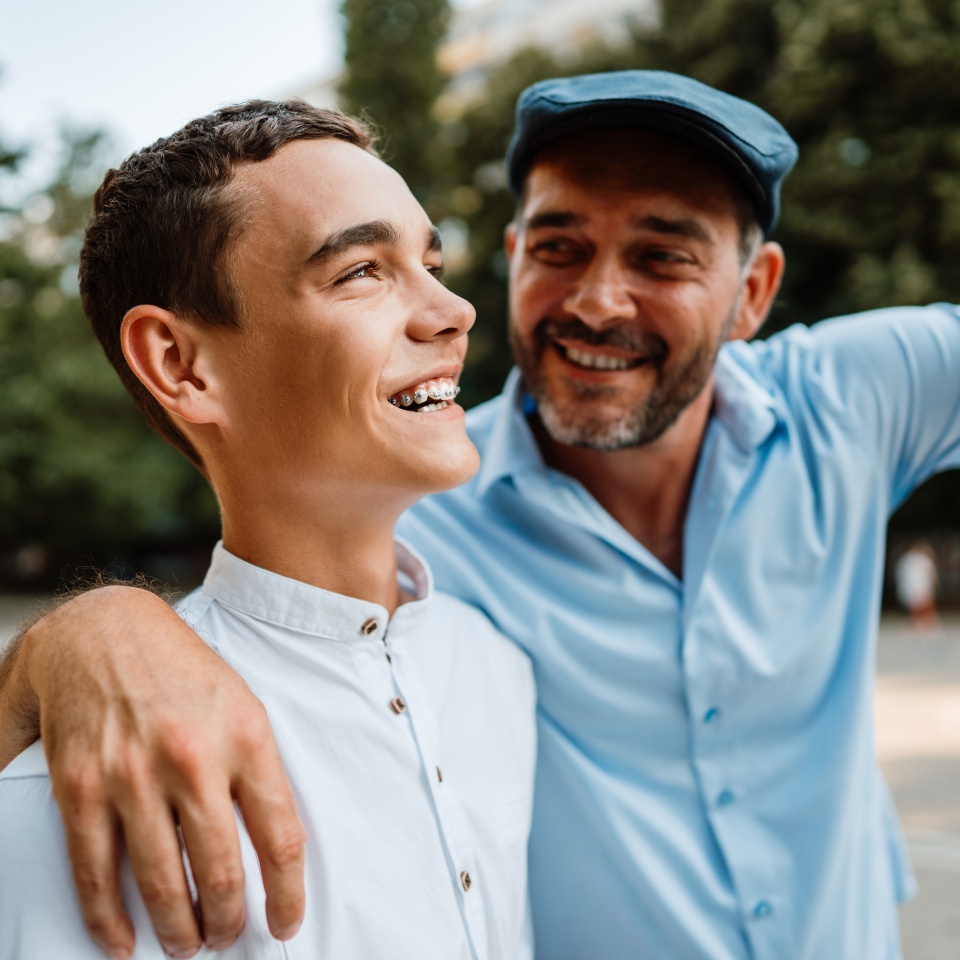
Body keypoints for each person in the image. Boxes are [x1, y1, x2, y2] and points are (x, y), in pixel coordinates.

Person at [2, 69, 959, 959]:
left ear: (753, 294)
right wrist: (81, 637)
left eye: (663, 254)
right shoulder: (421, 511)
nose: (594, 297)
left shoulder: (851, 403)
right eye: (557, 247)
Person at [0, 100, 537, 960]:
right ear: (182, 365)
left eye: (430, 262)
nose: (454, 311)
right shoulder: (75, 803)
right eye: (361, 270)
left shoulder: (499, 668)